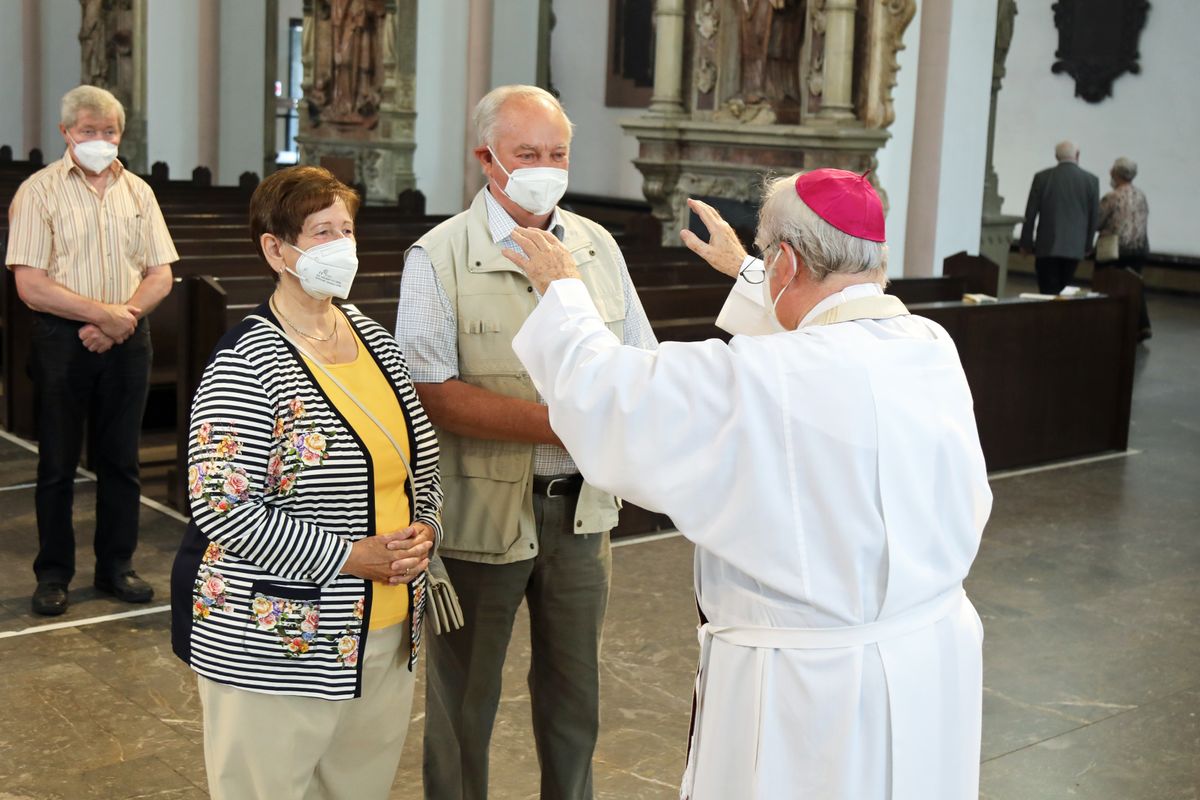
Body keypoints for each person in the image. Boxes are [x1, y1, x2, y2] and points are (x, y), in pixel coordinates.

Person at [505, 169, 992, 799]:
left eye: (769, 257)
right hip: (928, 653)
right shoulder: (930, 345)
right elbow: (820, 346)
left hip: (807, 686)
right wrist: (750, 274)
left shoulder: (766, 376)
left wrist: (564, 290)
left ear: (786, 260)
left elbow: (612, 396)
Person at [394, 84, 657, 800]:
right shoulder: (440, 255)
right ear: (487, 158)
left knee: (576, 699)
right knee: (464, 704)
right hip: (483, 512)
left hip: (581, 513)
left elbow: (638, 360)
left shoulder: (597, 248)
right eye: (527, 153)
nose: (546, 166)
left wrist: (607, 414)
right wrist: (564, 421)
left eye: (558, 153)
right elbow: (430, 391)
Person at [169, 166, 442, 800]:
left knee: (357, 790)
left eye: (346, 230)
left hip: (386, 623)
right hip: (273, 638)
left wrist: (424, 530)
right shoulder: (247, 359)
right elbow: (224, 508)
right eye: (322, 233)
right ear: (275, 249)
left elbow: (422, 464)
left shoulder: (375, 340)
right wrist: (354, 555)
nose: (341, 246)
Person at [5, 85, 178, 616]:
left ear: (120, 134)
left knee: (121, 461)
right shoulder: (39, 191)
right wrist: (101, 315)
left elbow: (160, 274)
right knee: (57, 462)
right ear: (66, 133)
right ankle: (53, 574)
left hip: (128, 340)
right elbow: (31, 284)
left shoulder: (138, 192)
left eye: (109, 132)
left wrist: (118, 319)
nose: (100, 140)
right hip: (62, 342)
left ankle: (116, 567)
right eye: (88, 131)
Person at [1020, 139, 1100, 295]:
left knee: (1047, 289)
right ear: (1077, 155)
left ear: (1056, 156)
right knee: (1065, 288)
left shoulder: (1042, 177)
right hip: (1075, 247)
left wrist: (1026, 243)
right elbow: (1093, 217)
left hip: (1046, 245)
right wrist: (1088, 245)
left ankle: (1046, 317)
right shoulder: (1091, 181)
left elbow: (1030, 213)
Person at [1096, 156, 1152, 341]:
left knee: (1107, 283)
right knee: (1135, 285)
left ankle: (1108, 324)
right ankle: (1142, 325)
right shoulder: (1141, 195)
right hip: (1139, 249)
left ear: (1116, 173)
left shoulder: (1112, 196)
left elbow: (1098, 221)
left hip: (1116, 249)